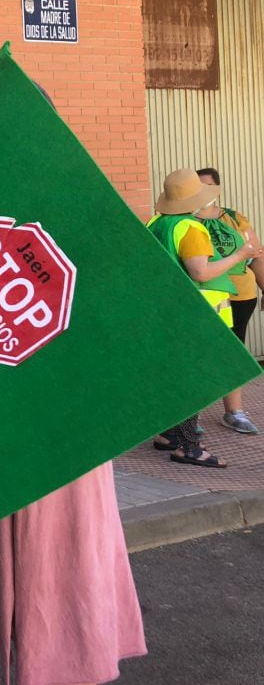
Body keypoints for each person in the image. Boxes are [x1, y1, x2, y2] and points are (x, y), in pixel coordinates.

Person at [0, 81, 148, 685]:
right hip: (5, 443)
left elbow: (119, 337)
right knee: (38, 604)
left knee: (60, 602)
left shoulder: (72, 215)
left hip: (55, 446)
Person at [146, 169, 262, 465]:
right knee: (194, 381)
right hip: (196, 313)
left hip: (166, 309)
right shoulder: (192, 228)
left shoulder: (157, 222)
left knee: (175, 375)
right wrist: (241, 254)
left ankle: (168, 434)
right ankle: (189, 448)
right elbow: (200, 272)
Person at [195, 167, 261, 434]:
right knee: (200, 353)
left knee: (233, 353)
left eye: (207, 186)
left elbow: (256, 253)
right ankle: (190, 418)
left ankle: (234, 411)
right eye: (197, 186)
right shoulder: (185, 220)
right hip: (206, 294)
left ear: (218, 189)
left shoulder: (234, 218)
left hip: (240, 295)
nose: (202, 192)